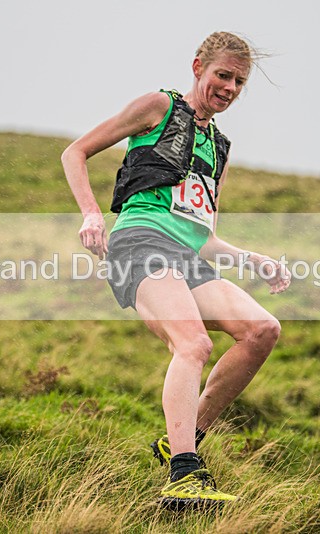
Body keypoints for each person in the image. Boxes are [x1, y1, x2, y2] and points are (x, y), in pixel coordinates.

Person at [61, 31, 290, 508]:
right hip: (140, 243)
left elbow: (205, 236)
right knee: (194, 343)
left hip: (186, 258)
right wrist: (91, 215)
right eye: (222, 75)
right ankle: (184, 476)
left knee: (262, 330)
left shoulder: (220, 146)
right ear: (197, 67)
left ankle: (181, 441)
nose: (229, 88)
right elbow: (75, 152)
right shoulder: (158, 107)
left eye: (239, 82)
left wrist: (253, 259)